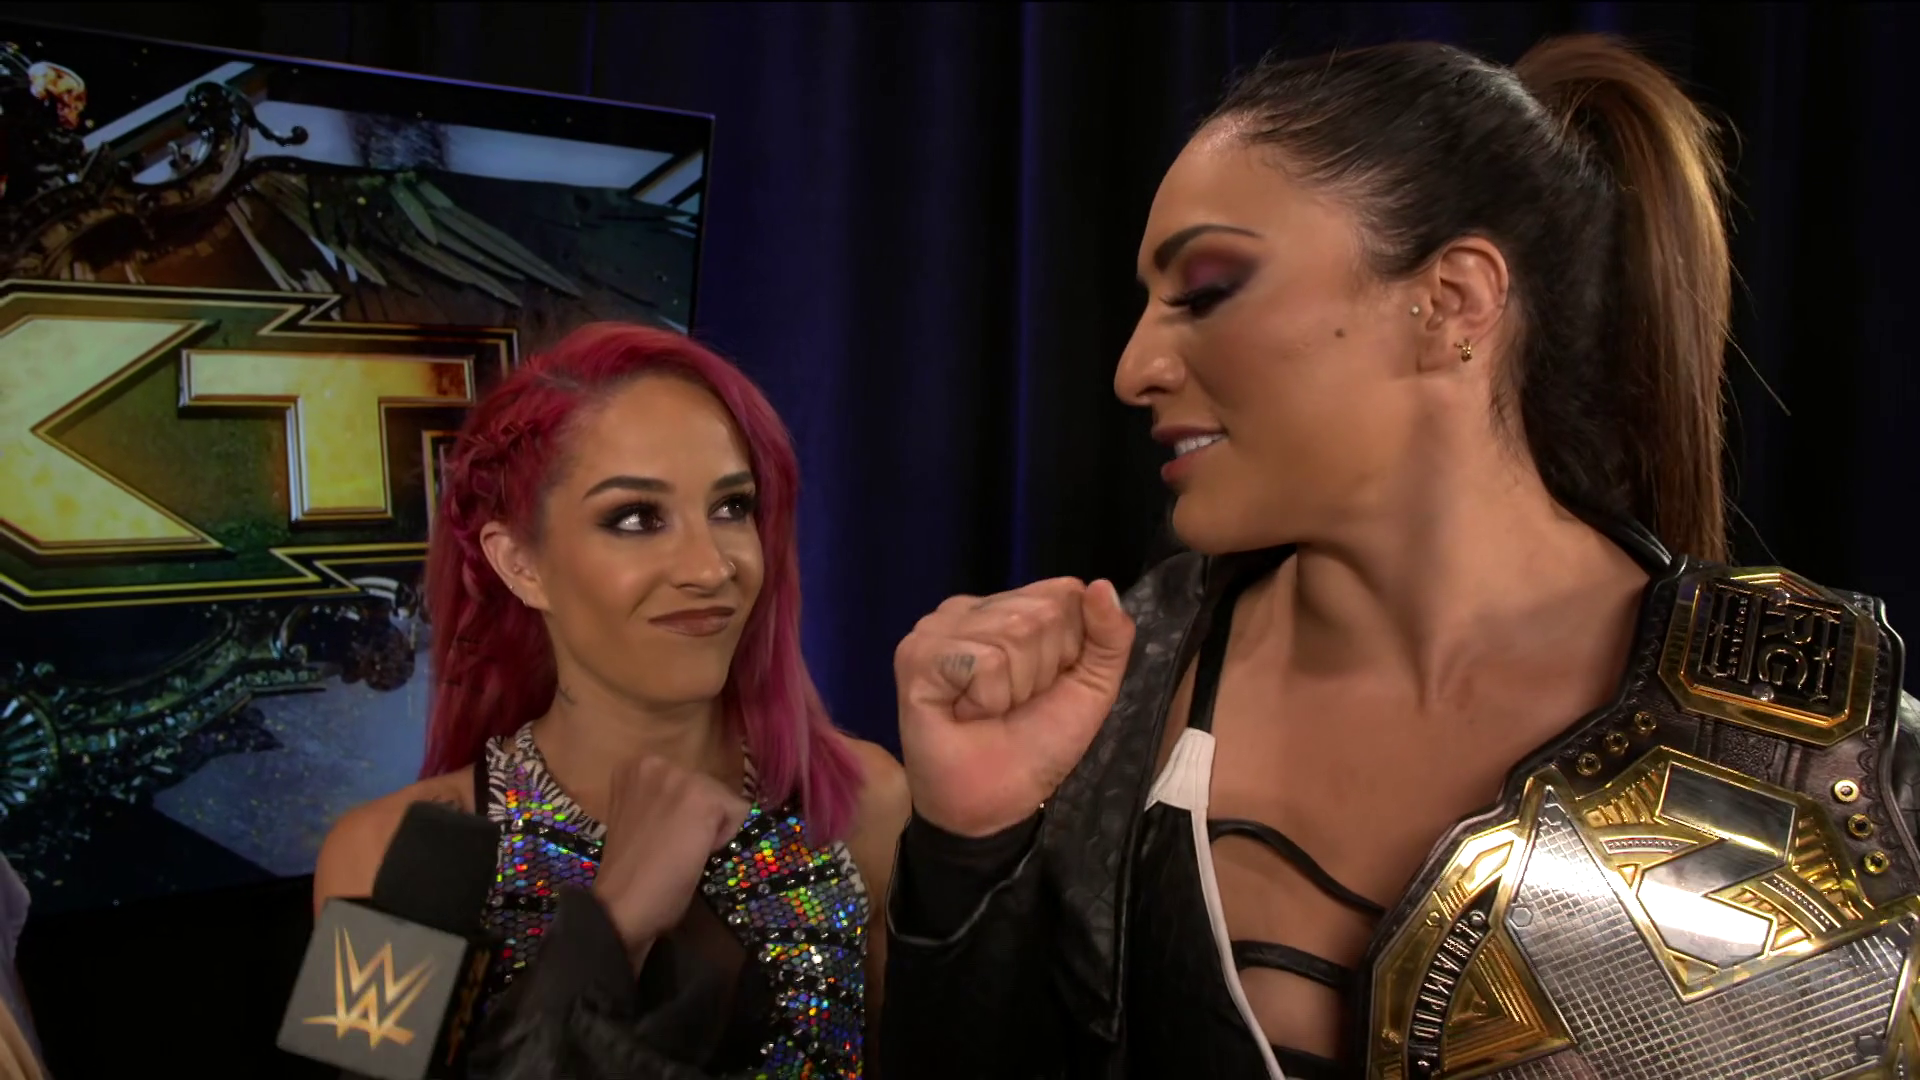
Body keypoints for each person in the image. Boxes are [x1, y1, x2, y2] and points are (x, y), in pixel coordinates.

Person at [880, 34, 1920, 1080]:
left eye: (1204, 289)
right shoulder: (1109, 694)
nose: (1133, 368)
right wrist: (972, 849)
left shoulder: (1839, 752)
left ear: (1454, 302)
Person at [314, 322, 909, 1079]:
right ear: (519, 562)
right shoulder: (379, 856)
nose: (710, 567)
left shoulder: (863, 803)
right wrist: (614, 923)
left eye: (732, 507)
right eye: (636, 518)